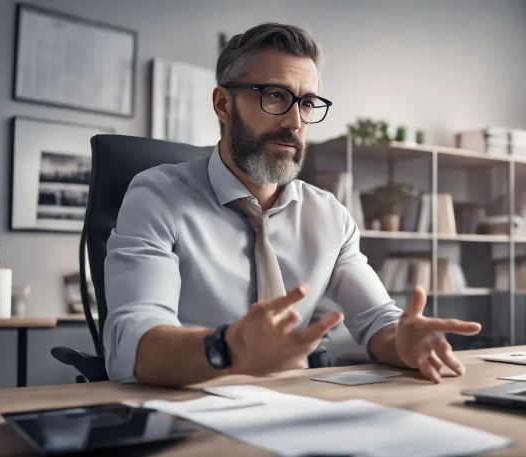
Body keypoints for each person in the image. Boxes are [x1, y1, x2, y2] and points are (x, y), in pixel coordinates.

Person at [103, 22, 481, 387]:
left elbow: (377, 321)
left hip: (296, 405)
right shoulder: (157, 196)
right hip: (190, 413)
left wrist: (402, 342)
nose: (294, 120)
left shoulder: (330, 216)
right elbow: (130, 343)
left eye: (308, 103)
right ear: (223, 104)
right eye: (275, 96)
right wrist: (228, 349)